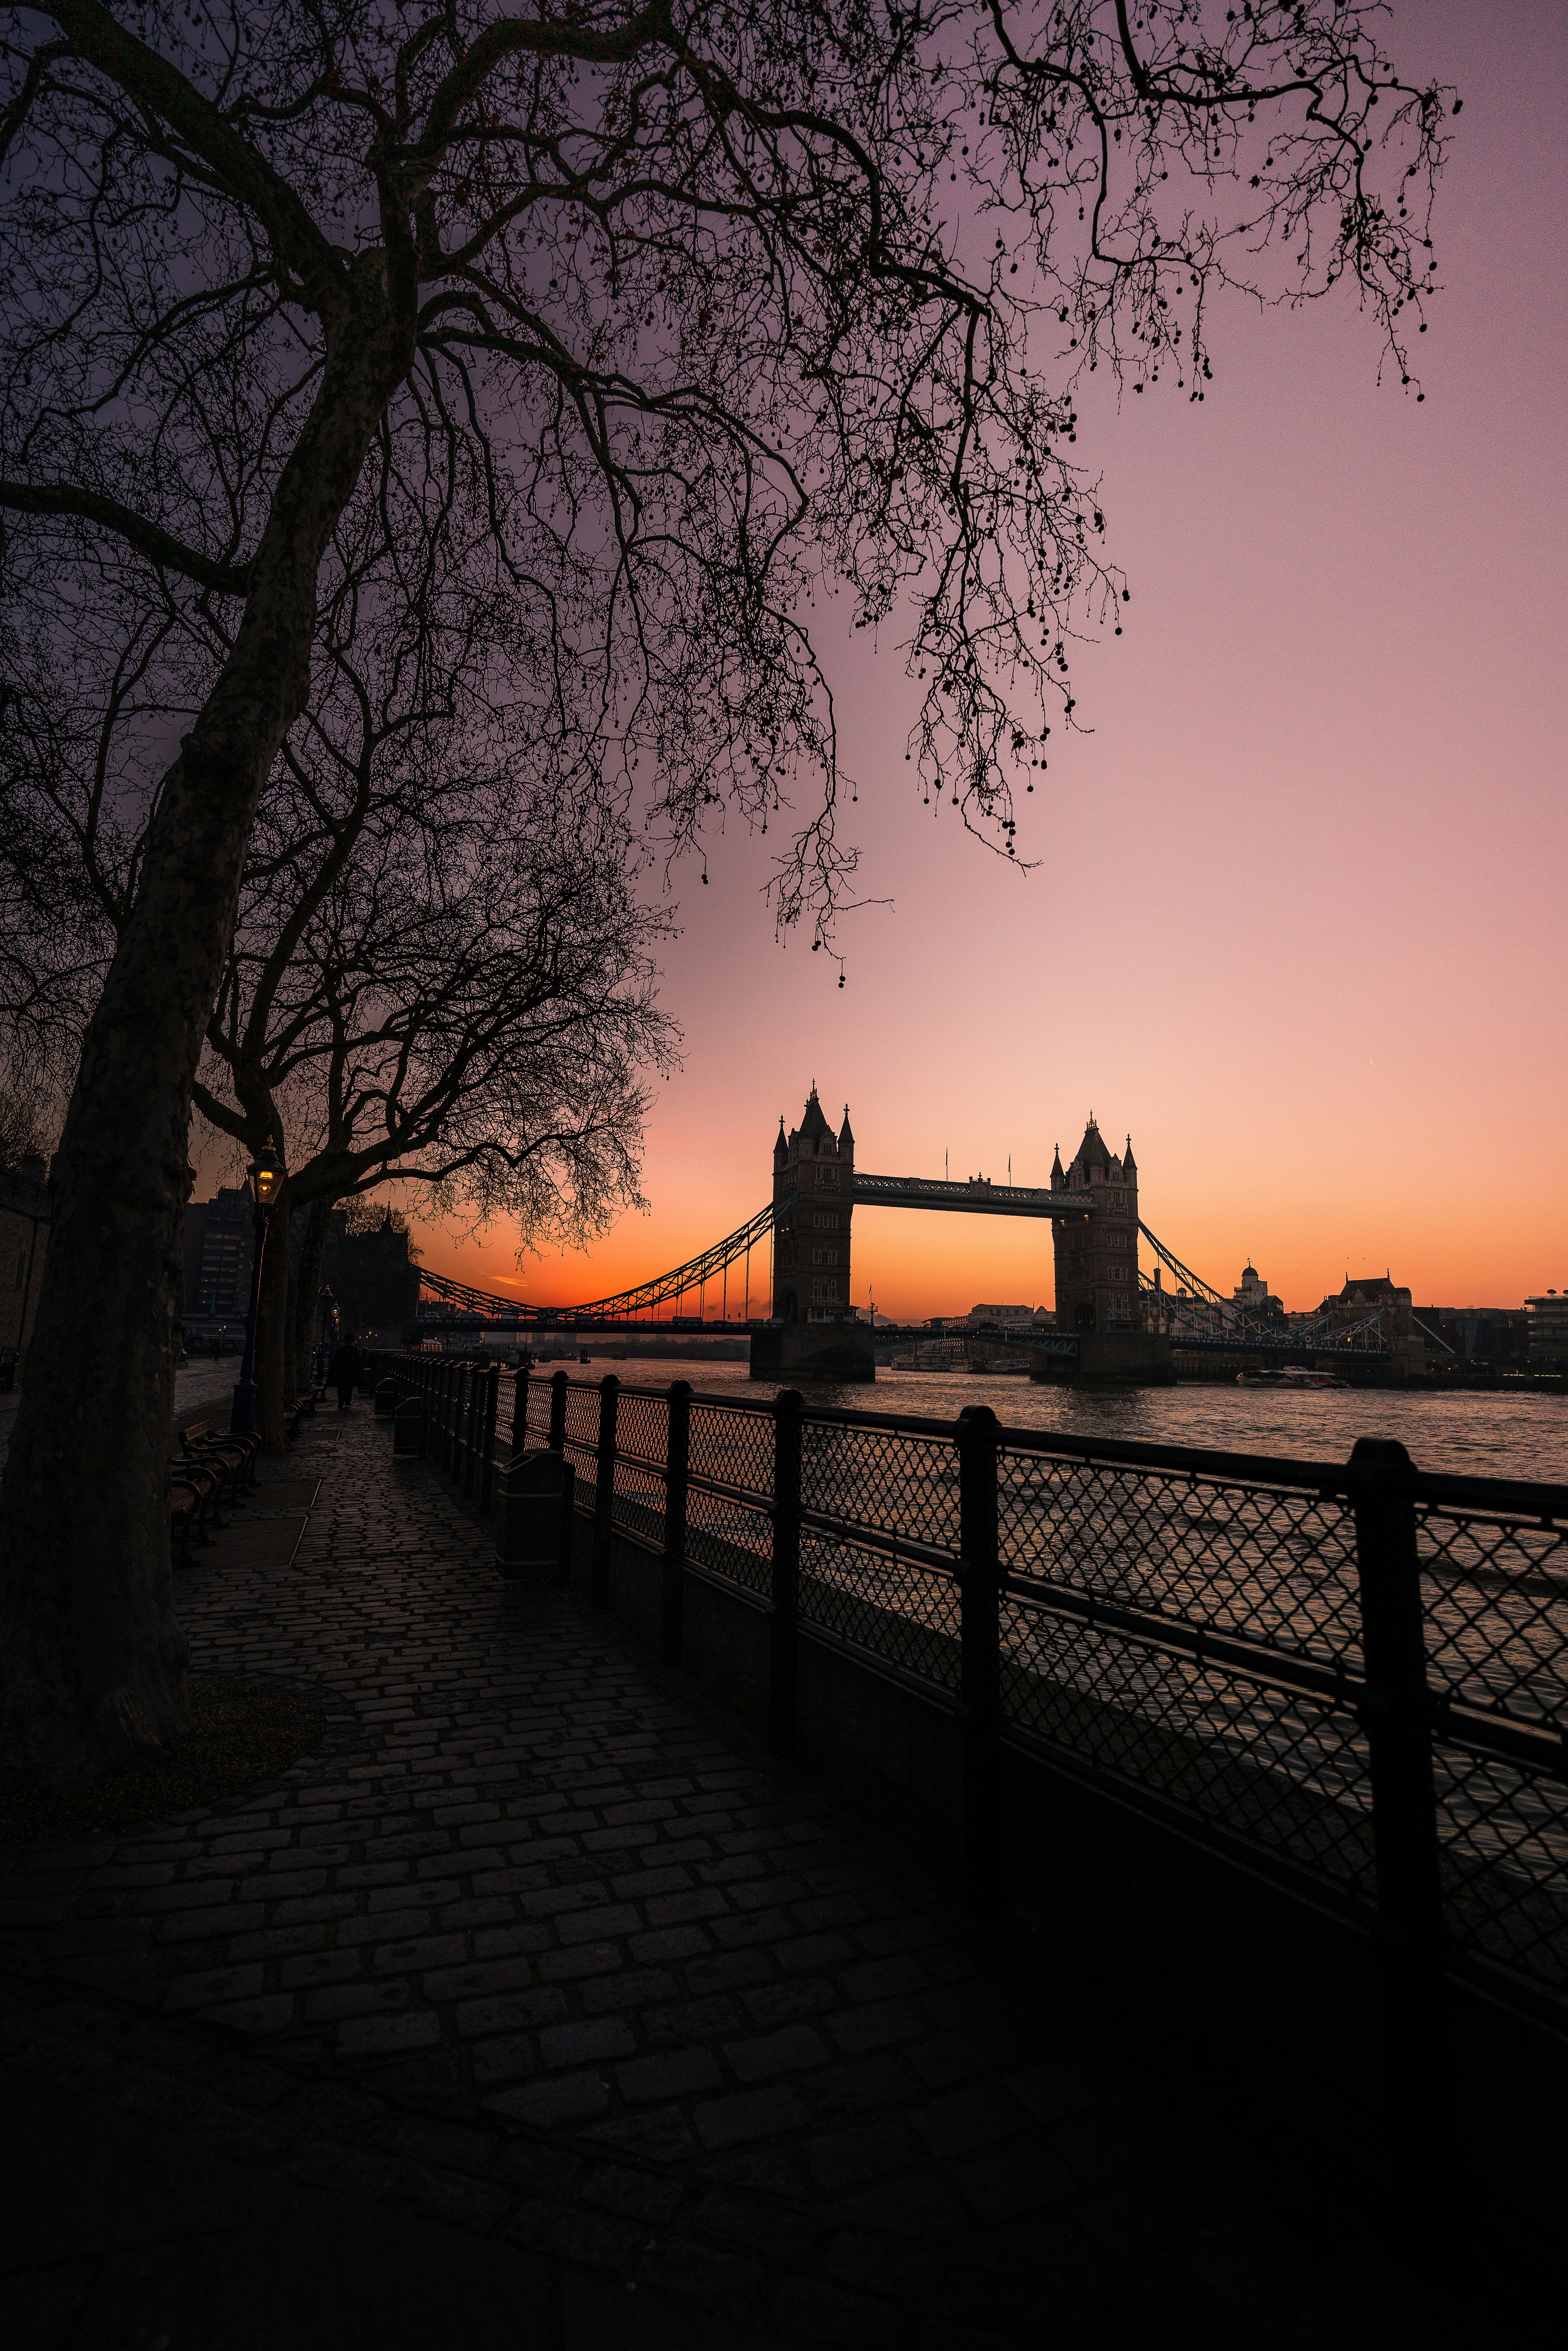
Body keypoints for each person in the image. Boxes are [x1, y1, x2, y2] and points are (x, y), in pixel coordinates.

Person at [327, 1335, 363, 1413]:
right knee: (349, 1388)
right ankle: (347, 1401)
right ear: (352, 1343)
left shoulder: (340, 1350)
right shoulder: (355, 1351)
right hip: (351, 1373)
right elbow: (358, 1364)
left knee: (342, 1387)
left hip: (342, 1372)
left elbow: (335, 1363)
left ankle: (341, 1401)